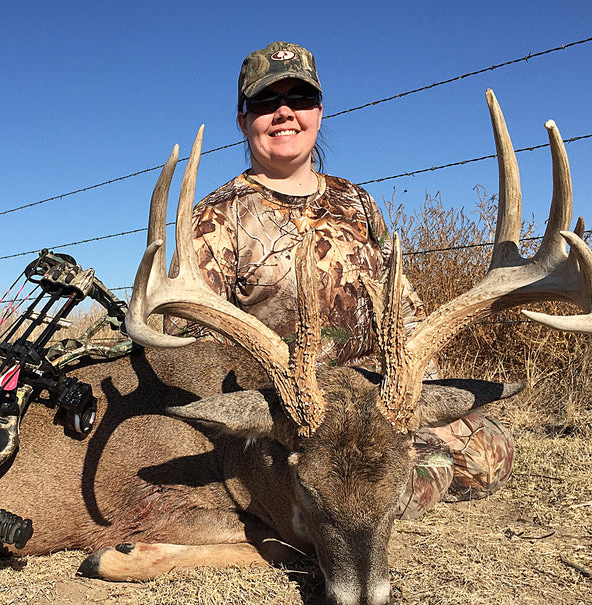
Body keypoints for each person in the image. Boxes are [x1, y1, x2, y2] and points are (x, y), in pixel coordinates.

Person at [164, 41, 515, 519]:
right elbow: (188, 346)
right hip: (296, 410)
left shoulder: (356, 202)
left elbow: (402, 309)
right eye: (266, 102)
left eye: (300, 100)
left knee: (490, 456)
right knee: (366, 484)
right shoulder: (214, 218)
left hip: (378, 398)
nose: (284, 113)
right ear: (244, 119)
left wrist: (416, 395)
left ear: (320, 112)